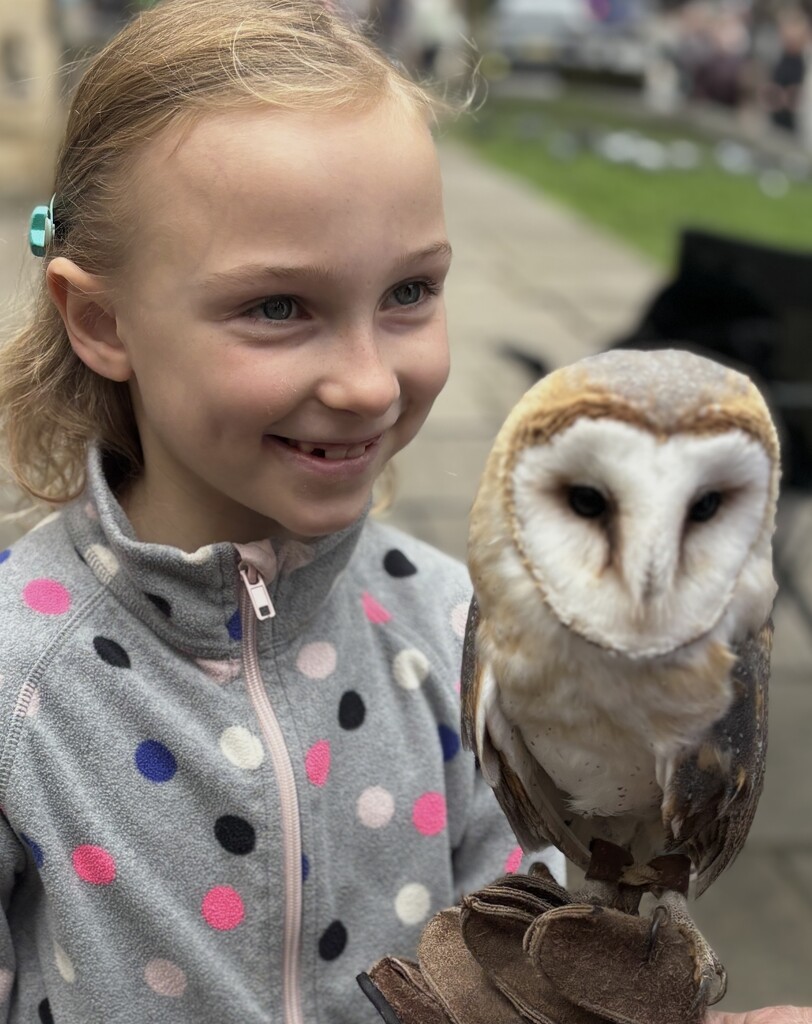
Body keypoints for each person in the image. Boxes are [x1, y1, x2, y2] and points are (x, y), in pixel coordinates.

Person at [0, 2, 805, 1022]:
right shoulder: (19, 671)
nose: (369, 382)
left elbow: (517, 955)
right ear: (103, 321)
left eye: (410, 291)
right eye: (279, 306)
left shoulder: (449, 622)